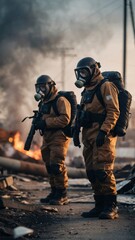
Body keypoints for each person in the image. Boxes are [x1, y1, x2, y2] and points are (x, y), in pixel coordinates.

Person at [73, 57, 120, 219]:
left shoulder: (105, 86)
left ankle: (111, 206)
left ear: (94, 69)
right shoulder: (86, 90)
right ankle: (99, 205)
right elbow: (82, 114)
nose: (82, 75)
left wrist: (103, 131)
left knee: (103, 171)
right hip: (88, 137)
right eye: (79, 72)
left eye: (84, 71)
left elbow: (113, 112)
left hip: (103, 137)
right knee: (92, 172)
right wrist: (76, 132)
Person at [34, 75, 71, 205]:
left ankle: (62, 193)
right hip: (47, 137)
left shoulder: (60, 100)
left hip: (59, 136)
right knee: (49, 165)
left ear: (51, 86)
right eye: (38, 87)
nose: (41, 90)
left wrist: (45, 122)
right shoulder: (43, 102)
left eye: (43, 87)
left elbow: (65, 119)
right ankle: (54, 191)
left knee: (57, 165)